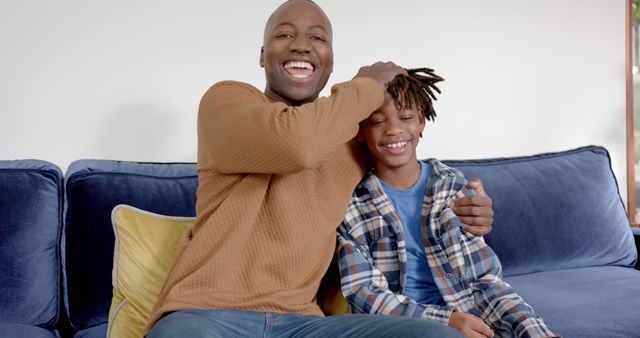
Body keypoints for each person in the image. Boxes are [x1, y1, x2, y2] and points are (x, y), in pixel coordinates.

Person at [146, 1, 493, 337]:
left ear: (330, 63)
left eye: (317, 38)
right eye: (284, 35)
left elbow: (406, 180)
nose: (301, 45)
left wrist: (465, 210)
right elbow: (296, 143)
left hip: (302, 323)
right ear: (262, 55)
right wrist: (368, 84)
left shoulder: (351, 139)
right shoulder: (225, 103)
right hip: (206, 316)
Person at [336, 68, 559, 338]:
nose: (394, 129)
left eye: (405, 117)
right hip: (401, 327)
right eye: (377, 121)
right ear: (360, 131)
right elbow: (364, 293)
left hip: (468, 316)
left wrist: (531, 328)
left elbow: (483, 282)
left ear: (421, 121)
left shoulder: (452, 187)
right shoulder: (353, 205)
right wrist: (446, 321)